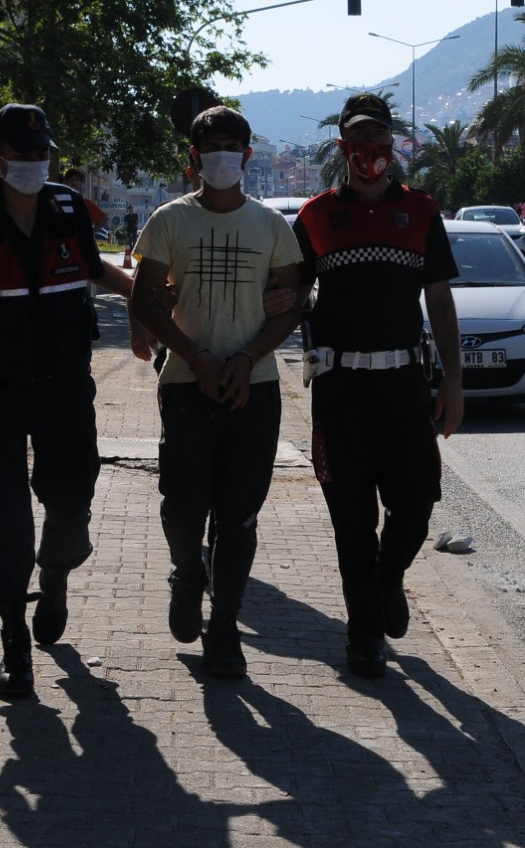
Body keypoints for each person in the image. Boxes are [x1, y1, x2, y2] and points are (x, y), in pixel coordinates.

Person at [0, 103, 141, 698]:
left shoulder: (68, 209)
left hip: (65, 386)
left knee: (71, 500)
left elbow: (98, 271)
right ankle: (14, 637)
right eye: (22, 156)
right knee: (8, 512)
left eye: (42, 155)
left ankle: (57, 575)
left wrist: (153, 297)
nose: (34, 165)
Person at [129, 106, 305, 678]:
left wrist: (247, 357)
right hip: (185, 386)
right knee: (182, 506)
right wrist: (196, 356)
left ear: (248, 156)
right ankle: (186, 573)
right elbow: (146, 300)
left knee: (238, 518)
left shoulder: (272, 227)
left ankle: (224, 626)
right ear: (193, 160)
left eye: (231, 148)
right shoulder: (167, 221)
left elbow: (291, 304)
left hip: (253, 390)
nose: (221, 159)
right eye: (210, 150)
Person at [293, 91, 464, 678]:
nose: (373, 154)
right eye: (361, 143)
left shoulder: (420, 211)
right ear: (343, 148)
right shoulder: (314, 216)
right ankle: (363, 636)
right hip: (339, 390)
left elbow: (439, 301)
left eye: (382, 143)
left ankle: (388, 578)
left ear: (393, 147)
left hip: (403, 384)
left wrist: (454, 383)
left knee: (416, 504)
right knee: (350, 518)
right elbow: (290, 298)